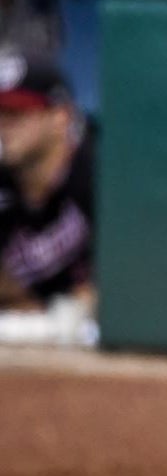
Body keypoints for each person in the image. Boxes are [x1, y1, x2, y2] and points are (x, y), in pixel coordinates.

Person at [0, 48, 97, 345]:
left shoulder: (100, 172)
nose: (4, 127)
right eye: (0, 114)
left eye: (18, 114)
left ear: (60, 117)